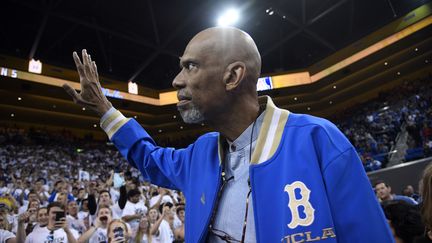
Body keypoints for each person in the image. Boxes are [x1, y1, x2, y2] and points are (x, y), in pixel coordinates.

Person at [63, 27, 393, 242]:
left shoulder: (319, 141)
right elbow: (148, 157)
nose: (177, 80)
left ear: (233, 76)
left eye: (190, 66)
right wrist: (105, 110)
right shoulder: (200, 153)